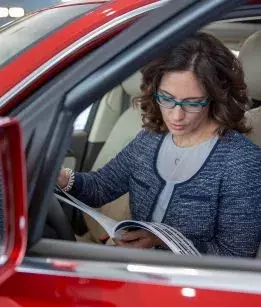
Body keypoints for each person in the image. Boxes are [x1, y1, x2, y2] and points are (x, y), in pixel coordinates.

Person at [58, 32, 261, 257]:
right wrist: (61, 177)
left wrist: (159, 243)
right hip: (136, 266)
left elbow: (236, 255)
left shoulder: (242, 162)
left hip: (193, 285)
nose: (176, 115)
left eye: (192, 103)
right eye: (166, 98)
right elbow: (100, 188)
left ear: (215, 97)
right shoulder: (149, 139)